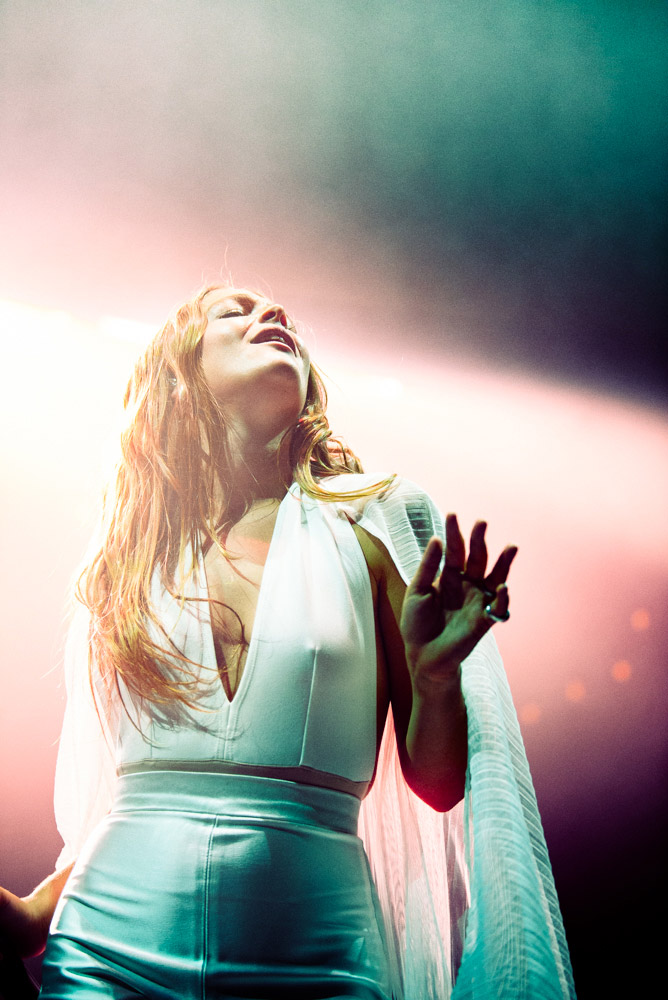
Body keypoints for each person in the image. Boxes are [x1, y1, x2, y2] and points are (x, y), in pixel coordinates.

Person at [0, 286, 575, 999]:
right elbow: (116, 804)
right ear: (175, 376)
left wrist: (434, 680)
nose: (271, 316)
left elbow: (438, 786)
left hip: (320, 965)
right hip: (103, 957)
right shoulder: (131, 552)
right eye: (234, 311)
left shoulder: (376, 518)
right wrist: (32, 916)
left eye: (281, 316)